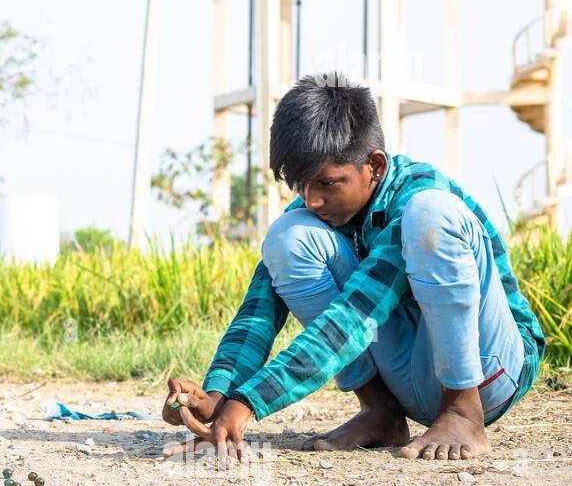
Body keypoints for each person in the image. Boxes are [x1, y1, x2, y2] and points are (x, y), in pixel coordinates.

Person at [164, 72, 544, 463]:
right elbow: (260, 309)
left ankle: (462, 411)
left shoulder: (419, 192)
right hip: (410, 375)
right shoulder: (316, 212)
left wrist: (248, 403)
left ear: (374, 166)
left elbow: (353, 318)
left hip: (489, 369)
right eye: (301, 185)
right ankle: (381, 412)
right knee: (285, 237)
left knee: (432, 215)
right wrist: (218, 393)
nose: (311, 200)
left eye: (328, 183)